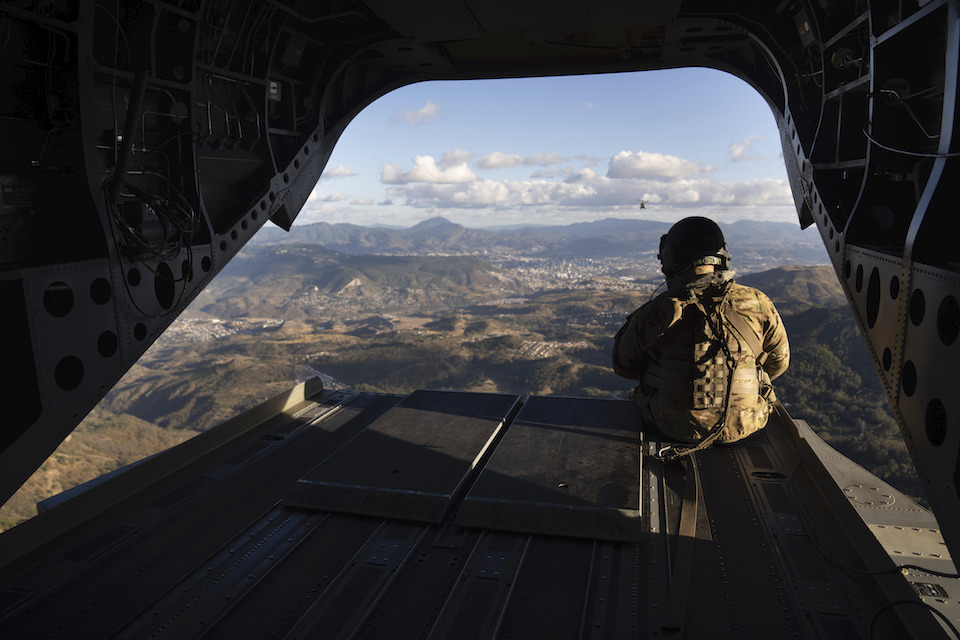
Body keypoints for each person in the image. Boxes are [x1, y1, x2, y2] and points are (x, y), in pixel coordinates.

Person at [612, 216, 789, 455]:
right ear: (723, 256)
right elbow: (778, 364)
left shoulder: (658, 311)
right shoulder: (759, 302)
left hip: (672, 426)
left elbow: (624, 366)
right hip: (748, 424)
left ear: (670, 258)